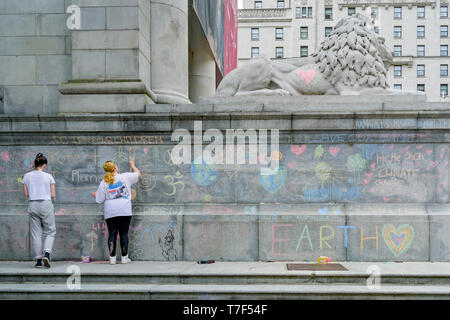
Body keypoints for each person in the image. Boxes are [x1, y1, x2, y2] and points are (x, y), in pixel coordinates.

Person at [94, 160, 141, 264]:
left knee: (112, 233)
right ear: (115, 167)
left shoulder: (104, 182)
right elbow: (138, 175)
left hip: (110, 211)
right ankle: (124, 258)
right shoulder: (125, 176)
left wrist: (96, 195)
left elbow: (99, 200)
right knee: (124, 233)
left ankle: (112, 259)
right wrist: (133, 165)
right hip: (125, 210)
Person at [22, 153, 56, 268]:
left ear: (34, 164)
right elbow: (53, 194)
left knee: (36, 233)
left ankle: (38, 261)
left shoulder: (26, 176)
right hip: (46, 204)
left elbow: (27, 194)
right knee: (50, 231)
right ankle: (47, 253)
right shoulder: (49, 176)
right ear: (44, 165)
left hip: (33, 204)